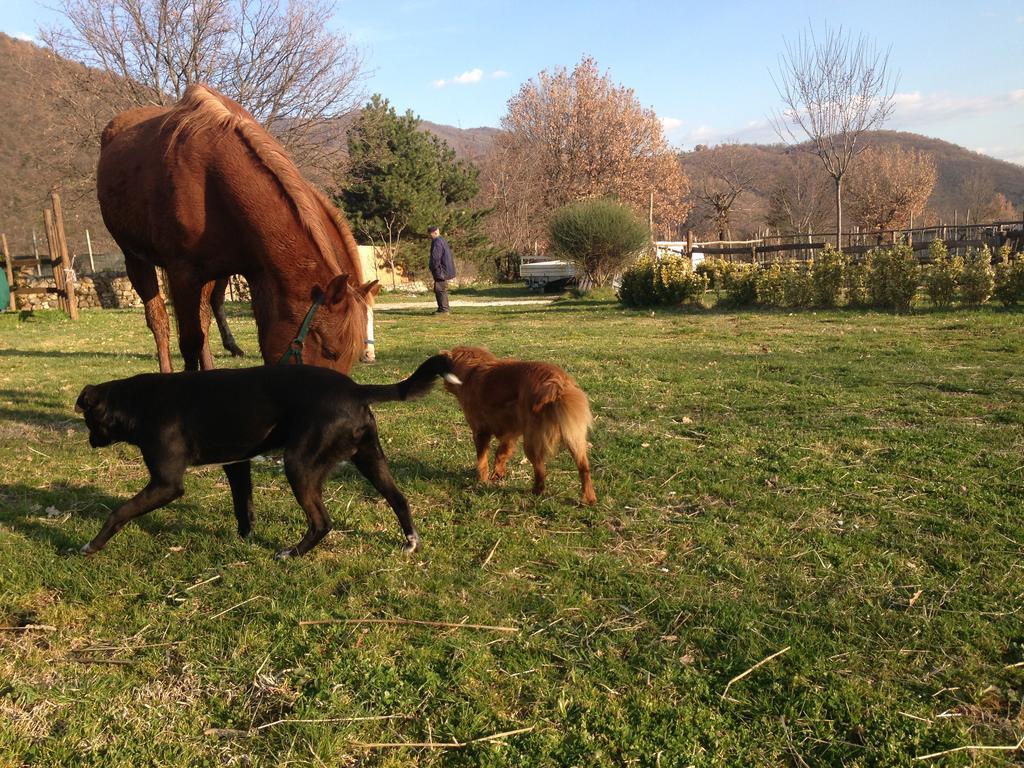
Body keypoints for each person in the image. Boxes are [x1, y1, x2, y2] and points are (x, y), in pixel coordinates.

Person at [428, 226, 455, 314]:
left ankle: (444, 309)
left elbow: (436, 258)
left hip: (441, 270)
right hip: (444, 269)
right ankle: (443, 308)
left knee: (440, 289)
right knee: (441, 289)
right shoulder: (442, 240)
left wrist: (433, 267)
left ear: (434, 233)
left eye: (430, 234)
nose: (430, 236)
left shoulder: (437, 242)